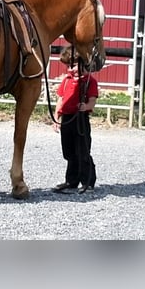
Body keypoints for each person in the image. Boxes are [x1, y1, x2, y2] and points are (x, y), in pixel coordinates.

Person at [52, 45, 99, 194]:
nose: (70, 69)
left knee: (83, 151)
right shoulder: (66, 80)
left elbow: (92, 100)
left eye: (72, 66)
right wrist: (56, 116)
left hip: (80, 119)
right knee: (69, 151)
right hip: (67, 118)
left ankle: (88, 181)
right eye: (68, 66)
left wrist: (86, 106)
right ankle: (71, 181)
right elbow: (61, 99)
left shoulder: (89, 81)